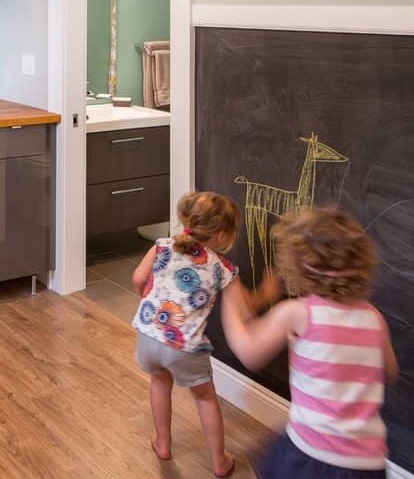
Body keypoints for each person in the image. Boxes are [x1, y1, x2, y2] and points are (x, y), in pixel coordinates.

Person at [222, 207, 399, 478]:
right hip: (368, 462)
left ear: (298, 267)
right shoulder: (373, 317)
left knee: (267, 460)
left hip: (313, 457)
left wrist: (231, 300)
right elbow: (389, 372)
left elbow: (249, 353)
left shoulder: (299, 312)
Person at [131, 191, 242, 477]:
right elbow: (245, 307)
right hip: (184, 346)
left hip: (149, 336)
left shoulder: (161, 246)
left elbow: (138, 279)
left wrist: (146, 299)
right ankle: (219, 461)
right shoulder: (221, 267)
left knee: (159, 382)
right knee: (204, 397)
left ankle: (163, 443)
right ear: (221, 234)